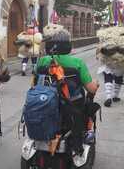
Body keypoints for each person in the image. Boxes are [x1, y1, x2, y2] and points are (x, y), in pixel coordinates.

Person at [34, 24, 99, 153]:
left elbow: (36, 83)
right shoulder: (77, 63)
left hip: (46, 103)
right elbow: (91, 89)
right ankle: (85, 135)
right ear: (68, 46)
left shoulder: (42, 61)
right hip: (72, 105)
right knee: (90, 106)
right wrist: (96, 84)